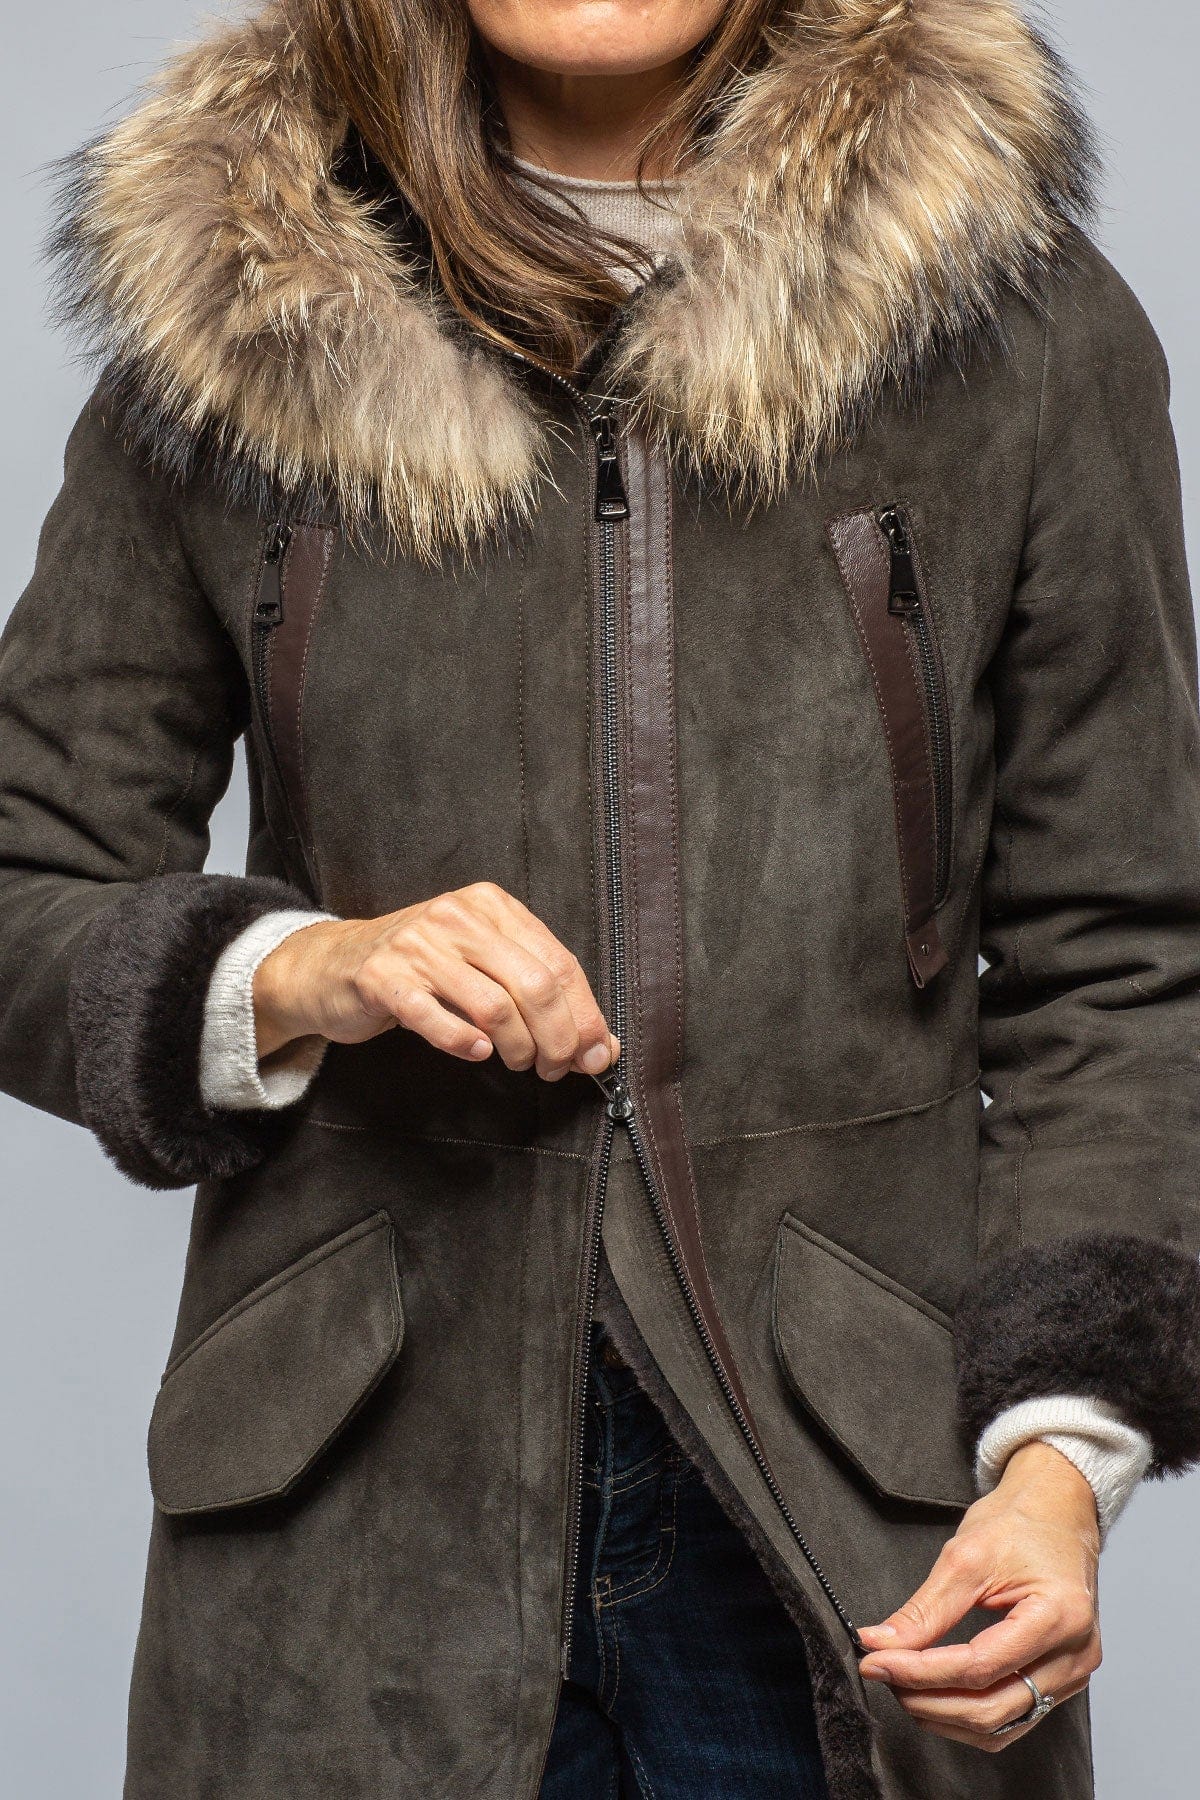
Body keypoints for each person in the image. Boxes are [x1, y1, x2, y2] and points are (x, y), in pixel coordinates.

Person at [2, 1, 1198, 1795]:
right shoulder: (234, 310)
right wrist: (301, 968)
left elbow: (1129, 956)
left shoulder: (1014, 321)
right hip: (352, 1541)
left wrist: (1059, 1465)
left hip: (857, 1528)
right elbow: (25, 873)